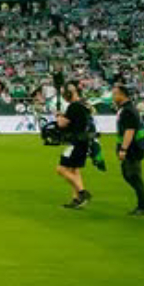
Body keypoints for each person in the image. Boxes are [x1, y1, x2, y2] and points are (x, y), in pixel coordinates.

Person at [53, 81, 96, 210]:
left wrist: (59, 116)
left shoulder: (74, 106)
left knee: (61, 169)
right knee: (74, 170)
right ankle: (76, 199)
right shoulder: (84, 104)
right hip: (85, 140)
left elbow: (62, 124)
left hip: (77, 141)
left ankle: (82, 192)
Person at [114, 77, 144, 216]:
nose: (113, 97)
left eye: (115, 94)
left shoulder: (128, 110)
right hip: (134, 146)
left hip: (133, 148)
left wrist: (123, 149)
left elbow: (129, 131)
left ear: (122, 95)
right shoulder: (126, 109)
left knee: (133, 175)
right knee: (128, 174)